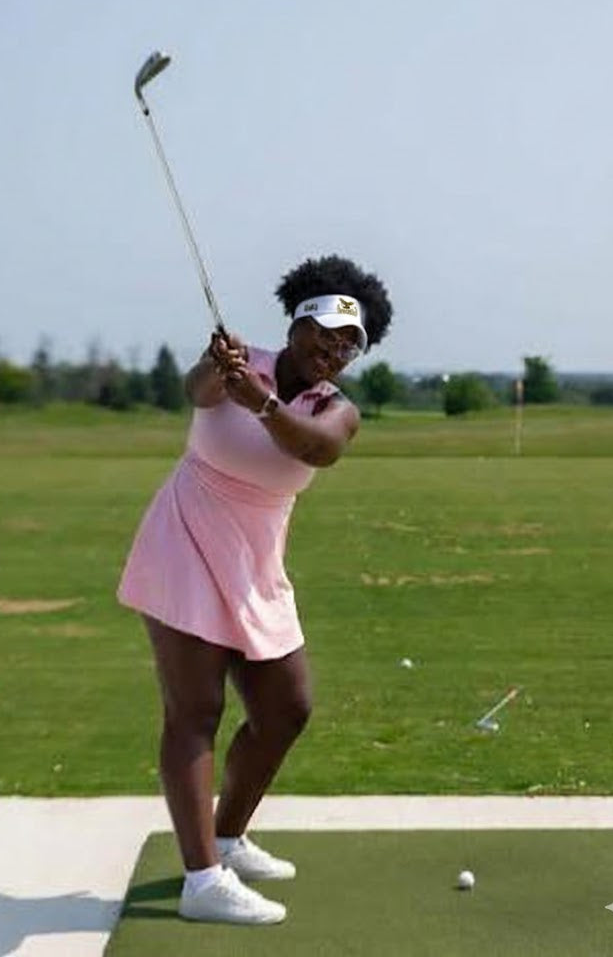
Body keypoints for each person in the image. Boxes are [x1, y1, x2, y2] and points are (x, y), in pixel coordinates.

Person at [117, 254, 393, 924]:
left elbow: (317, 449)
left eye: (349, 343)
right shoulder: (240, 364)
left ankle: (227, 838)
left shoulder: (336, 410)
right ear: (296, 323)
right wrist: (221, 370)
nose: (333, 349)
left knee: (286, 708)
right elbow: (198, 390)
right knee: (195, 710)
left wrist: (262, 403)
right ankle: (201, 881)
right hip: (185, 540)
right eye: (324, 332)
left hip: (257, 563)